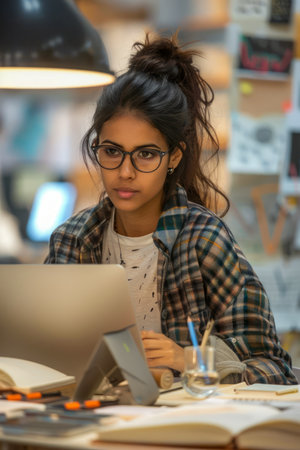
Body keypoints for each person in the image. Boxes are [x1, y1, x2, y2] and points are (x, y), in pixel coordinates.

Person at [45, 34, 297, 385]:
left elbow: (276, 369)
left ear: (173, 158)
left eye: (145, 154)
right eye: (112, 151)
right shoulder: (71, 241)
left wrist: (191, 359)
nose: (125, 171)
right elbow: (43, 356)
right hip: (90, 420)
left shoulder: (204, 241)